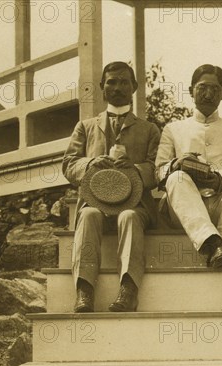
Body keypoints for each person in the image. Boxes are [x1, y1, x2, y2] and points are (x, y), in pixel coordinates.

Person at [63, 61, 160, 312]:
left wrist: (135, 168)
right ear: (102, 88)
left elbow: (158, 169)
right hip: (95, 201)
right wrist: (91, 162)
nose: (117, 87)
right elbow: (69, 165)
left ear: (134, 87)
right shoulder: (85, 126)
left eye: (123, 82)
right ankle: (84, 290)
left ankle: (128, 289)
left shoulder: (149, 129)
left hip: (135, 204)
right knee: (87, 214)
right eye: (111, 82)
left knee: (128, 216)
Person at [155, 64, 222, 267]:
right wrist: (179, 163)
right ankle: (216, 243)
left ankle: (220, 246)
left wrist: (219, 179)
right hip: (183, 210)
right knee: (175, 177)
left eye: (215, 89)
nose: (209, 94)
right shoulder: (173, 130)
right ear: (191, 91)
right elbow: (158, 172)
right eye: (202, 87)